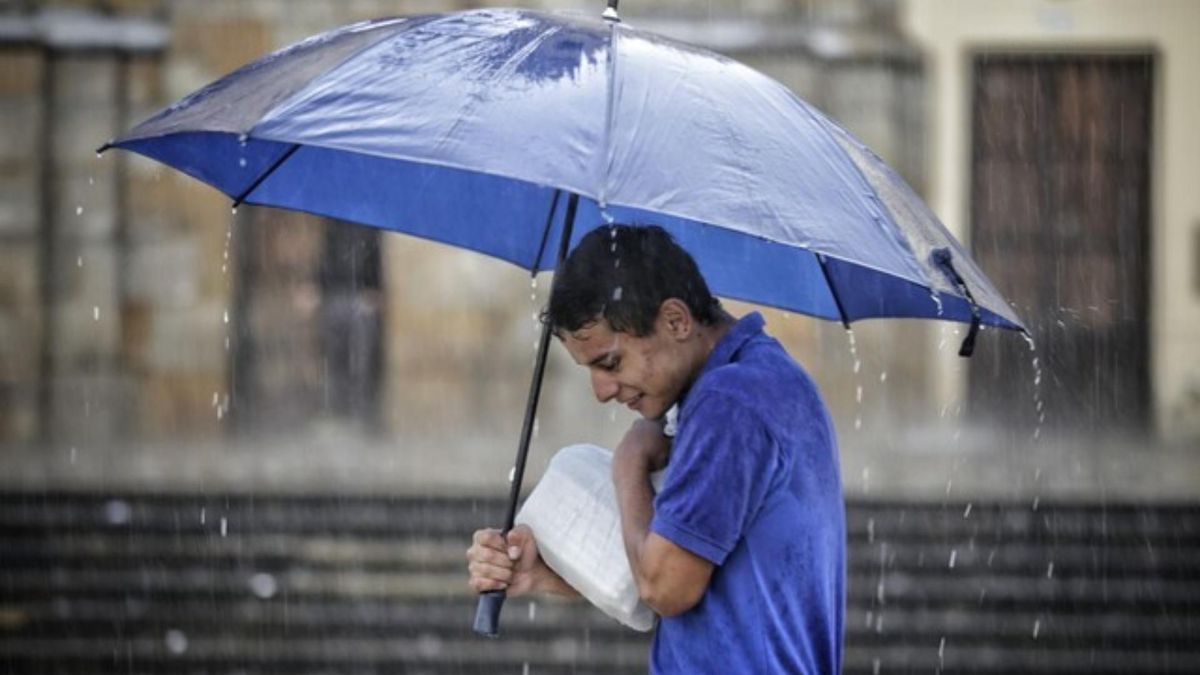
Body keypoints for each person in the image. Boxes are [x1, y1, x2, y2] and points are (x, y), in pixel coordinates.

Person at [467, 225, 845, 674]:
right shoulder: (757, 378)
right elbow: (717, 577)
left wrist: (630, 464)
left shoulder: (729, 402)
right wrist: (545, 573)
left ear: (676, 321)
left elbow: (665, 588)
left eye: (609, 362)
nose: (601, 391)